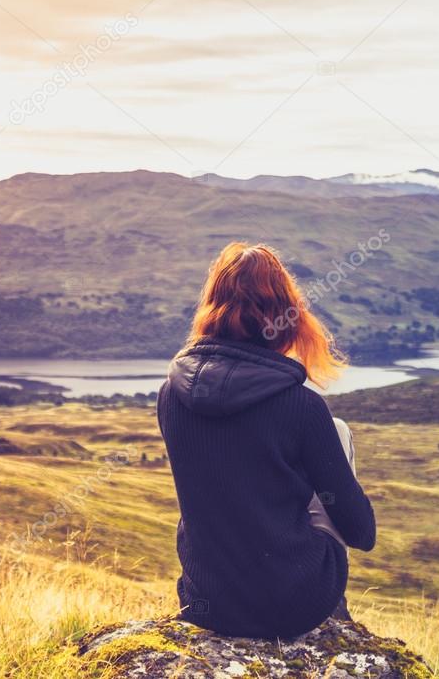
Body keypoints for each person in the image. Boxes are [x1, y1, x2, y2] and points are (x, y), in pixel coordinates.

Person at [156, 242, 377, 639]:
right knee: (339, 430)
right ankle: (331, 611)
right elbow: (361, 533)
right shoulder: (302, 407)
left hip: (206, 604)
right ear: (286, 315)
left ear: (210, 309)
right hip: (292, 606)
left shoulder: (170, 395)